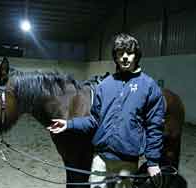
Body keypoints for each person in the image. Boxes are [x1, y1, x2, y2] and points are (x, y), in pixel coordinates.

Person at [47, 33, 165, 188]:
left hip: (127, 162)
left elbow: (154, 127)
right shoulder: (104, 85)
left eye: (129, 53)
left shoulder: (149, 86)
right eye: (120, 53)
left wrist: (153, 162)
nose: (124, 57)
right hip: (100, 160)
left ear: (136, 56)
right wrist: (68, 124)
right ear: (115, 57)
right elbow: (94, 120)